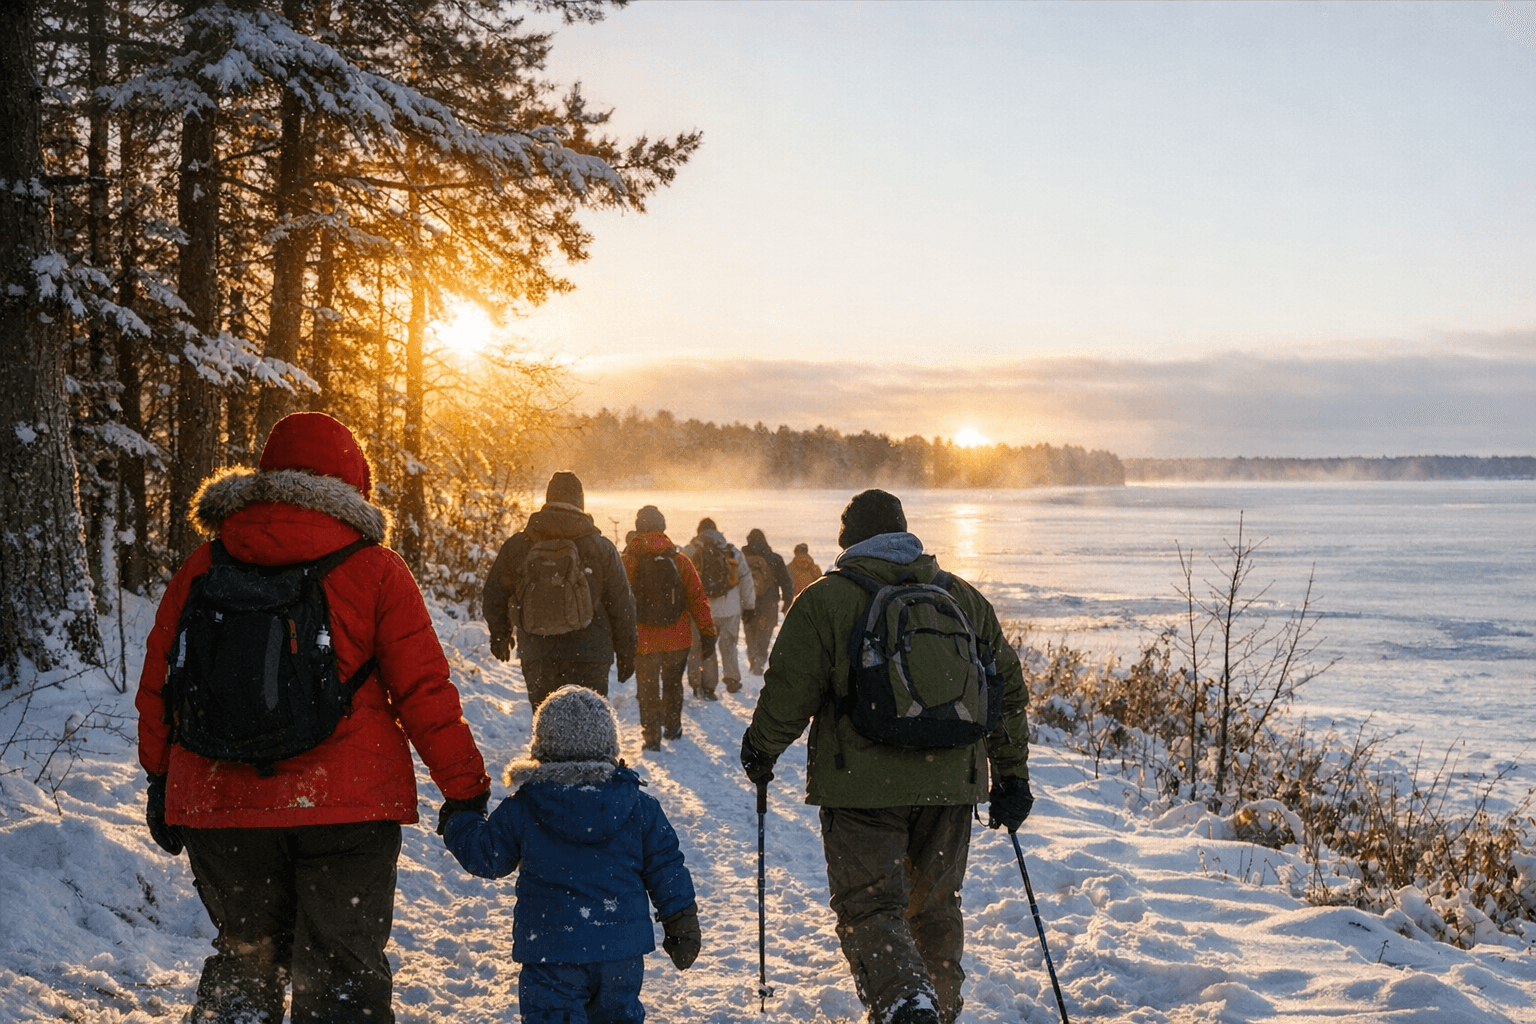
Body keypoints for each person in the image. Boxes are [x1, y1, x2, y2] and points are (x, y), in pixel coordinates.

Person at [136, 411, 492, 1024]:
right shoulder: (376, 570)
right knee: (342, 974)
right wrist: (464, 791)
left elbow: (160, 683)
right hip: (346, 809)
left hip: (220, 804)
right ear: (354, 484)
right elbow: (425, 694)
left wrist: (160, 778)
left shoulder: (204, 565)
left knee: (246, 960)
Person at [738, 489, 1034, 1024]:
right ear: (904, 532)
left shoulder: (827, 599)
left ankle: (907, 1005)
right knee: (936, 909)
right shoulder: (962, 597)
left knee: (871, 907)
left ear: (848, 540)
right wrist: (1011, 778)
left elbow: (789, 690)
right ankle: (936, 1009)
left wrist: (761, 749)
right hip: (951, 783)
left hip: (862, 788)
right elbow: (1006, 691)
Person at [442, 685, 701, 1024]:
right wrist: (681, 920)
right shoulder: (639, 807)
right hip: (619, 951)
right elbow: (665, 865)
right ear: (610, 746)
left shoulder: (527, 805)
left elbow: (487, 854)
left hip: (552, 952)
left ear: (543, 747)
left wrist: (459, 819)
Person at [482, 471, 638, 713]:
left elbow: (494, 593)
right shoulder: (601, 548)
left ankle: (548, 750)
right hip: (591, 655)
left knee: (548, 728)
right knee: (590, 729)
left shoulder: (520, 544)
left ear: (548, 499)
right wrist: (627, 652)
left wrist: (500, 635)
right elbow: (622, 605)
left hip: (539, 653)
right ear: (580, 501)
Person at [622, 505, 716, 751]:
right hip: (678, 638)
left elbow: (619, 602)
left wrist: (619, 637)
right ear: (663, 527)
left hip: (643, 640)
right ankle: (672, 727)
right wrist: (707, 632)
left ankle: (651, 736)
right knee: (673, 684)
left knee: (648, 688)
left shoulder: (628, 561)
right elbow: (698, 598)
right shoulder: (679, 560)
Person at [683, 517, 755, 697]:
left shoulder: (690, 551)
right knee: (729, 644)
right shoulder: (731, 551)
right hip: (729, 609)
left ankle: (703, 685)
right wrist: (749, 606)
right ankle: (732, 679)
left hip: (701, 609)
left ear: (699, 531)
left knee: (702, 647)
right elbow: (746, 579)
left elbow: (680, 580)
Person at [741, 528, 794, 676]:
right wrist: (787, 602)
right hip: (769, 602)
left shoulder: (742, 558)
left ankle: (753, 657)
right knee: (765, 633)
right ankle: (760, 659)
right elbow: (786, 582)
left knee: (750, 632)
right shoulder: (774, 559)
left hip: (748, 602)